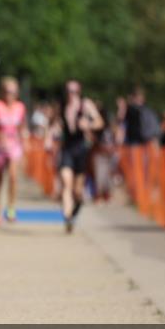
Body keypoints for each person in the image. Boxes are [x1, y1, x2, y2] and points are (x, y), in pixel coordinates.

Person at [58, 80, 103, 233]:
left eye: (74, 91)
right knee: (66, 182)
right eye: (69, 91)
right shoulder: (62, 106)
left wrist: (88, 125)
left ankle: (74, 211)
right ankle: (67, 215)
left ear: (79, 92)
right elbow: (57, 124)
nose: (71, 94)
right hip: (66, 149)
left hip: (80, 150)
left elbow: (99, 122)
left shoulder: (86, 105)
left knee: (77, 191)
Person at [0, 76, 27, 224]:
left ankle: (11, 208)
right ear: (3, 92)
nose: (11, 95)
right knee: (0, 178)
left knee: (14, 177)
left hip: (14, 145)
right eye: (8, 91)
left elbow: (21, 126)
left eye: (14, 92)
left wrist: (24, 142)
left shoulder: (20, 107)